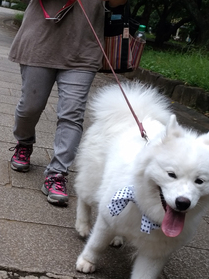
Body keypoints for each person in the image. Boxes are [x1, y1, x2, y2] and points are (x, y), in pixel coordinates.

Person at [8, 0, 127, 207]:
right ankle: (24, 143)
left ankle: (57, 173)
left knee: (72, 114)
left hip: (84, 47)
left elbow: (116, 3)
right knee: (30, 106)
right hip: (39, 39)